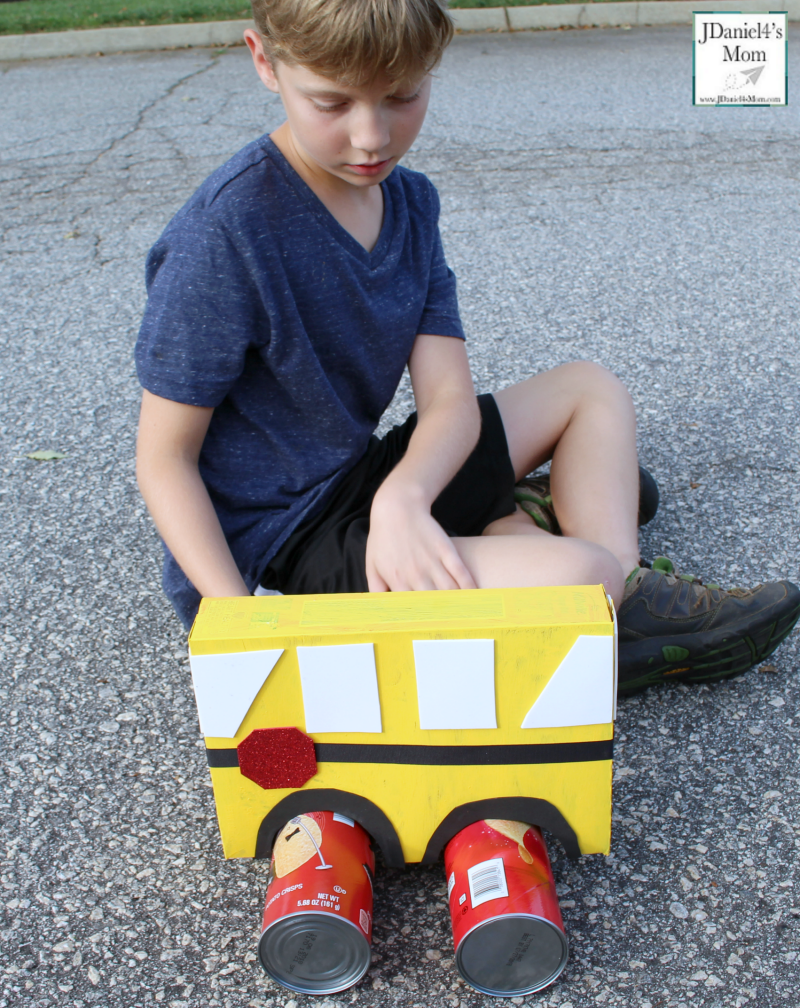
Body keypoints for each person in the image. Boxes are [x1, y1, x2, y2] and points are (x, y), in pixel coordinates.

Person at [135, 0, 799, 694]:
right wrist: (240, 630)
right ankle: (585, 588)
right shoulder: (227, 231)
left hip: (368, 481)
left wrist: (404, 501)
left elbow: (449, 401)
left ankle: (611, 595)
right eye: (332, 102)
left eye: (403, 95)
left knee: (589, 391)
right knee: (580, 575)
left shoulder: (410, 205)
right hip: (288, 547)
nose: (372, 136)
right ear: (265, 62)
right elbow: (164, 458)